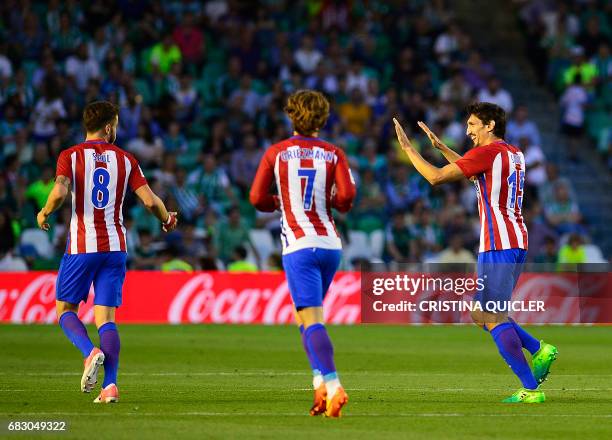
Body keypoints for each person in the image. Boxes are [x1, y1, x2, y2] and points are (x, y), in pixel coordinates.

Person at [393, 102, 557, 404]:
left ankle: (531, 389)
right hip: (515, 238)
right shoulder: (513, 153)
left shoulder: (487, 153)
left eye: (472, 125)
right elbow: (473, 172)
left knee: (492, 316)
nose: (468, 131)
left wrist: (408, 150)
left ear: (489, 125)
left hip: (498, 243)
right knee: (479, 313)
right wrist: (442, 147)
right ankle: (538, 349)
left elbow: (436, 178)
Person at [36, 101, 178, 404]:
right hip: (115, 248)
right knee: (106, 319)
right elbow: (151, 201)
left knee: (65, 311)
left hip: (82, 247)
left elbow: (60, 192)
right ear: (109, 127)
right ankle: (110, 386)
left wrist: (44, 212)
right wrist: (167, 219)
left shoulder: (69, 156)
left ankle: (90, 353)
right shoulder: (126, 159)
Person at [250, 90, 356, 417]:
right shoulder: (334, 153)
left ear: (291, 115)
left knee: (312, 320)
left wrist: (278, 202)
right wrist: (335, 202)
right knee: (304, 319)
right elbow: (348, 197)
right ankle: (319, 386)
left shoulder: (277, 153)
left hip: (298, 245)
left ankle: (335, 385)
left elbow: (256, 198)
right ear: (323, 119)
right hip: (330, 245)